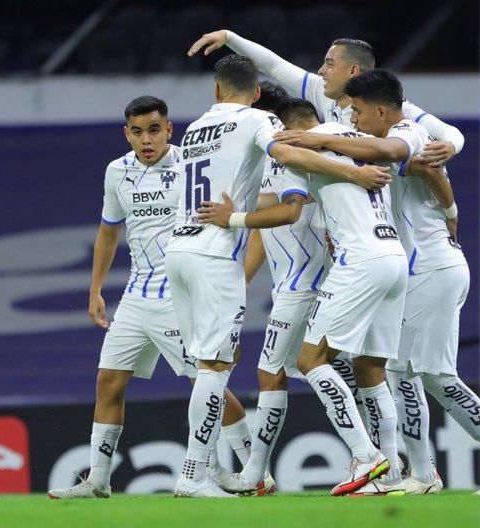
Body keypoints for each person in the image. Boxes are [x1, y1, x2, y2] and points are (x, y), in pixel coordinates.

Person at [166, 55, 392, 498]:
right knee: (224, 368)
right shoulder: (262, 127)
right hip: (222, 255)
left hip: (183, 250)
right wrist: (356, 172)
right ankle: (203, 474)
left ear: (216, 90)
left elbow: (284, 204)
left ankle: (229, 472)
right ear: (255, 96)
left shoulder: (195, 129)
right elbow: (286, 163)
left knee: (227, 367)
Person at [276, 70, 480, 495]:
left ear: (380, 110)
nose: (353, 119)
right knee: (393, 370)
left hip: (431, 264)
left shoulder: (407, 132)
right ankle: (418, 474)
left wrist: (451, 215)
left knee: (435, 375)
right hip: (403, 264)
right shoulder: (359, 140)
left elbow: (412, 161)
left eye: (357, 111)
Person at [47, 96, 255, 499]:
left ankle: (252, 469)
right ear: (127, 134)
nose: (146, 140)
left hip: (179, 296)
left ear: (169, 130)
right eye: (138, 132)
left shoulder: (191, 165)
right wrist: (95, 290)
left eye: (154, 130)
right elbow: (108, 231)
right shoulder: (117, 172)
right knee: (108, 380)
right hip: (135, 296)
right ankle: (98, 480)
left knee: (206, 382)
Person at [193, 81, 329, 495]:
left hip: (307, 284)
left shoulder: (290, 157)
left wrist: (234, 216)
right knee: (344, 374)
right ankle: (386, 458)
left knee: (274, 372)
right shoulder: (269, 162)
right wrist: (240, 282)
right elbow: (262, 232)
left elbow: (284, 212)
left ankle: (255, 473)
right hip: (303, 284)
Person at [187, 30, 464, 167]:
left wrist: (451, 146)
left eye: (329, 64)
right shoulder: (320, 91)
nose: (320, 71)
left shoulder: (390, 108)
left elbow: (449, 132)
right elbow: (274, 66)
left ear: (353, 70)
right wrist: (229, 37)